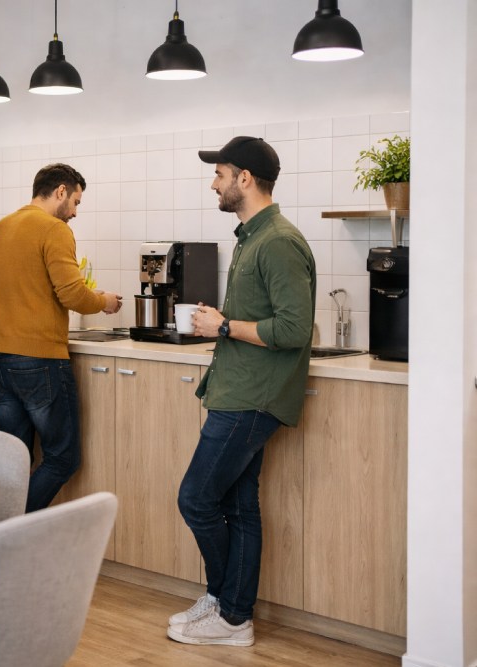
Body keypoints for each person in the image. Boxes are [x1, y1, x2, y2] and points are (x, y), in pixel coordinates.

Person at [167, 137, 316, 646]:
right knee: (238, 504)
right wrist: (223, 325)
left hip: (253, 397)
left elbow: (295, 329)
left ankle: (227, 607)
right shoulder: (253, 236)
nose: (215, 182)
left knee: (195, 499)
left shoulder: (276, 241)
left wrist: (225, 325)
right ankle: (233, 613)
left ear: (245, 179)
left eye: (221, 173)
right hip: (240, 390)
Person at [0, 163, 123, 513]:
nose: (74, 212)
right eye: (75, 201)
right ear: (60, 191)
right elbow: (73, 294)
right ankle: (8, 531)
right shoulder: (53, 228)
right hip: (38, 360)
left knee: (14, 460)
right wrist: (104, 302)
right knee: (63, 458)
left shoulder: (1, 227)